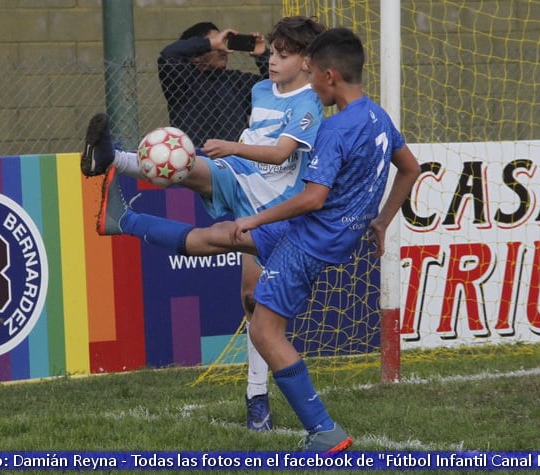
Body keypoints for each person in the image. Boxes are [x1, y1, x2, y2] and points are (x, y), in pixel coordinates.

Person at [94, 27, 421, 452]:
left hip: (310, 238)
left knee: (266, 331)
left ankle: (324, 431)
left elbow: (312, 197)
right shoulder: (378, 117)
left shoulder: (335, 129)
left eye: (314, 74)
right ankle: (124, 221)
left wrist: (258, 219)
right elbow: (410, 168)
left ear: (328, 76)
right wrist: (380, 221)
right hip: (335, 232)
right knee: (217, 236)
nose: (313, 83)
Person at [81, 16, 327, 432]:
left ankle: (258, 399)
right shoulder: (260, 88)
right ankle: (113, 160)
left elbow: (283, 154)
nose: (272, 60)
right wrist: (234, 152)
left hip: (276, 211)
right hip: (241, 178)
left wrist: (234, 146)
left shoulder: (310, 104)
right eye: (273, 52)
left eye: (283, 55)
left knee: (250, 293)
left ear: (307, 62)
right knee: (187, 165)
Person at [157, 21, 269, 147]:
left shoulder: (236, 80)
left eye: (222, 43)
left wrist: (263, 56)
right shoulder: (183, 80)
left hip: (234, 160)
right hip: (197, 159)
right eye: (216, 45)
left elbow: (276, 88)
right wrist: (209, 44)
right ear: (196, 56)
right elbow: (168, 55)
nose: (222, 50)